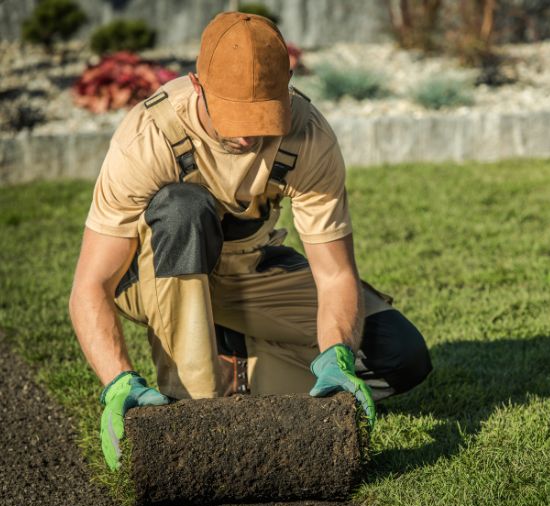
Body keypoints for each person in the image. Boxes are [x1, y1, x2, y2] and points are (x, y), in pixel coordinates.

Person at [69, 12, 432, 471]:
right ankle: (193, 401)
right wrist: (117, 381)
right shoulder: (149, 137)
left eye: (262, 116)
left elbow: (336, 273)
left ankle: (236, 364)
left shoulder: (309, 136)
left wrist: (337, 354)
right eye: (234, 115)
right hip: (156, 277)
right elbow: (92, 285)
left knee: (400, 355)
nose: (246, 134)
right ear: (198, 87)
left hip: (249, 271)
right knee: (183, 207)